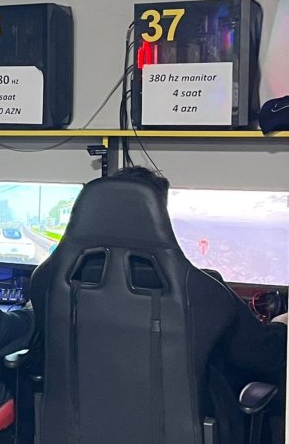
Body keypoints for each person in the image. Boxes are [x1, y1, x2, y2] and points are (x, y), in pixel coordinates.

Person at [111, 166, 287, 442]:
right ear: (159, 218)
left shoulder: (57, 283)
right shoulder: (199, 288)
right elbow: (264, 355)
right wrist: (281, 325)